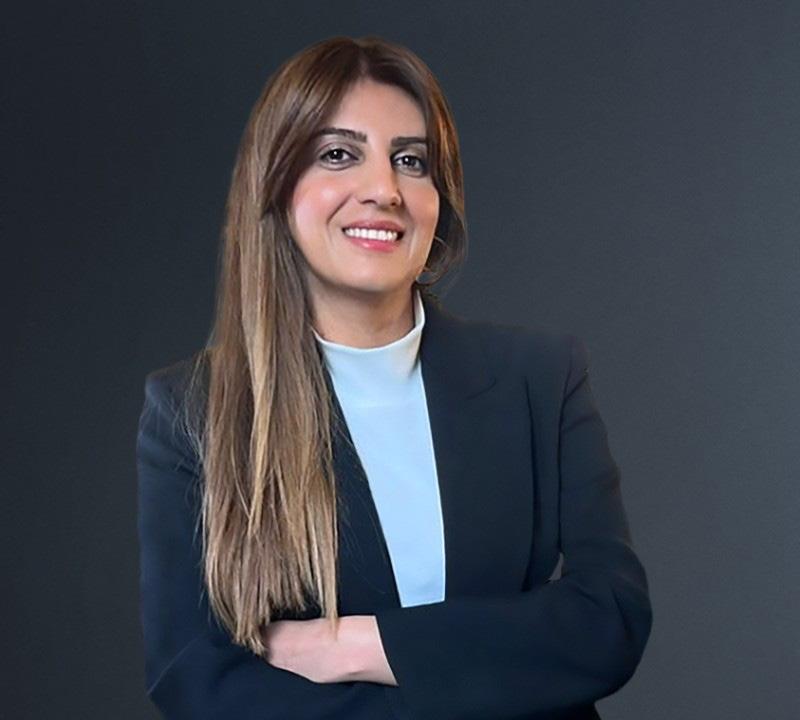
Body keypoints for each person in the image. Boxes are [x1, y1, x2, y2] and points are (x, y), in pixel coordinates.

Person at [135, 35, 652, 720]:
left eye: (411, 161)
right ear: (276, 184)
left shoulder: (541, 376)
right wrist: (487, 668)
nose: (384, 190)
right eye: (338, 154)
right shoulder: (191, 411)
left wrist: (366, 644)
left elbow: (609, 619)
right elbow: (198, 682)